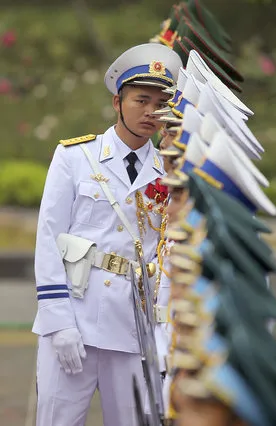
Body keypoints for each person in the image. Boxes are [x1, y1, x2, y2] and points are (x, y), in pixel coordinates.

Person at [33, 43, 182, 426]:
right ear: (118, 102)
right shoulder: (74, 158)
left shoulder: (172, 172)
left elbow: (166, 254)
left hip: (135, 327)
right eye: (141, 100)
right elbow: (50, 237)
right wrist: (57, 320)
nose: (151, 112)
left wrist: (164, 330)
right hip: (75, 318)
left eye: (161, 104)